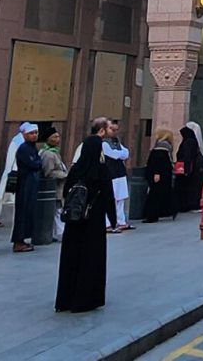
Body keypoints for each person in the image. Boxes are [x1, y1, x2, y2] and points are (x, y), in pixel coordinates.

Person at [55, 117, 118, 313]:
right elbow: (108, 196)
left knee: (71, 258)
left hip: (74, 220)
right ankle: (86, 299)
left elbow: (66, 192)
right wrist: (113, 219)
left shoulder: (76, 169)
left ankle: (65, 299)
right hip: (93, 220)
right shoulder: (100, 170)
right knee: (91, 258)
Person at [11, 123, 42, 253]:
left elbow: (38, 162)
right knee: (22, 213)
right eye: (31, 133)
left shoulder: (32, 148)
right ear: (24, 135)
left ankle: (22, 239)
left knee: (28, 212)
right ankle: (18, 241)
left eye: (36, 133)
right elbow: (34, 163)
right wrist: (37, 164)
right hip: (25, 184)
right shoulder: (24, 148)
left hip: (31, 183)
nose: (34, 135)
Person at [0, 122, 29, 227]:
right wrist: (13, 172)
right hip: (13, 173)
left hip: (16, 173)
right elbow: (11, 160)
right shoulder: (17, 142)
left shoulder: (22, 141)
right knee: (3, 197)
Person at [39, 127, 69, 241]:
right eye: (54, 137)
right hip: (54, 188)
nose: (58, 139)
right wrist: (64, 175)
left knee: (58, 210)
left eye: (58, 136)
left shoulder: (55, 152)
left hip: (58, 188)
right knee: (57, 211)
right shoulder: (48, 154)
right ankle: (60, 233)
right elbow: (48, 172)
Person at [104, 120, 134, 232]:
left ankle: (121, 221)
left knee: (120, 198)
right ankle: (108, 223)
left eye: (116, 130)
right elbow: (113, 154)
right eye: (112, 129)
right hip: (110, 173)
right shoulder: (104, 143)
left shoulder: (116, 141)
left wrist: (120, 154)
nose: (114, 132)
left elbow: (126, 153)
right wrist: (120, 154)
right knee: (111, 199)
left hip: (120, 173)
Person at [142, 128, 177, 223]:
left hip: (159, 174)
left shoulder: (160, 146)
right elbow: (162, 161)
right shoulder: (165, 147)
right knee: (158, 193)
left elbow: (156, 161)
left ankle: (152, 214)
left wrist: (156, 173)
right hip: (163, 174)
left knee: (155, 194)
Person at [175, 125, 203, 212]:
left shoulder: (188, 142)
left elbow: (187, 156)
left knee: (188, 188)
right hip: (193, 169)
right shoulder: (192, 141)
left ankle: (188, 205)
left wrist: (186, 169)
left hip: (189, 169)